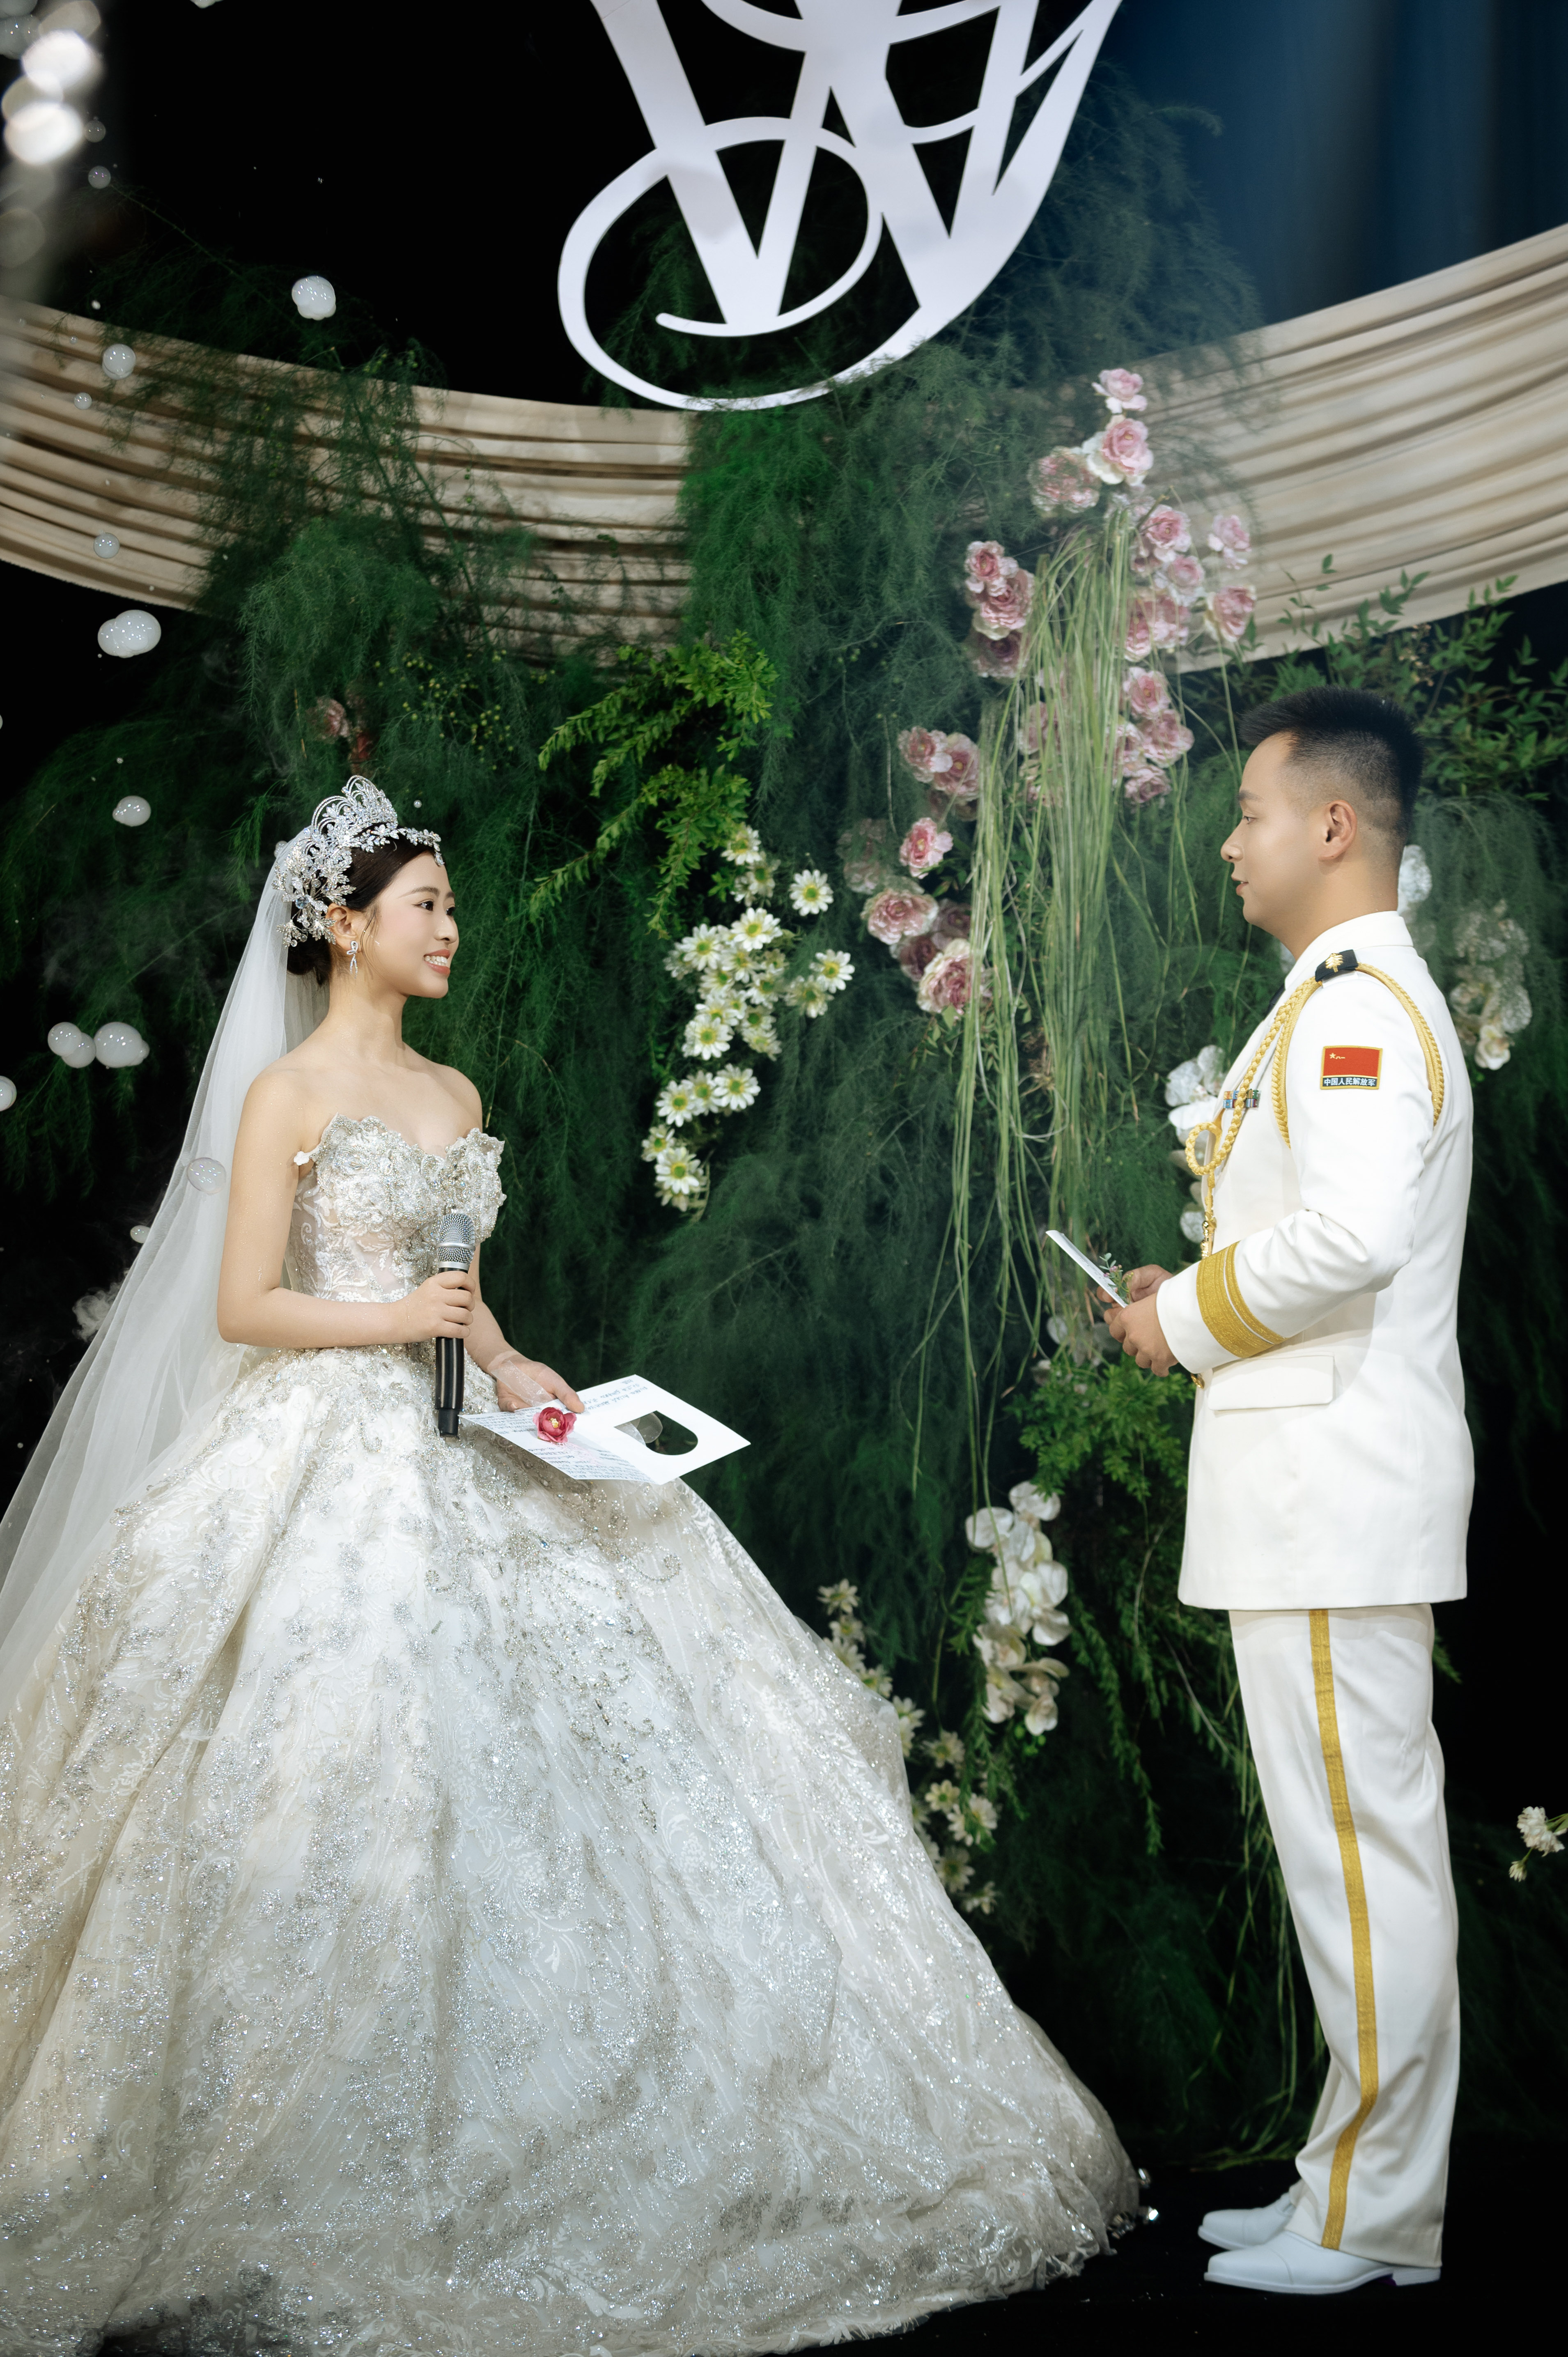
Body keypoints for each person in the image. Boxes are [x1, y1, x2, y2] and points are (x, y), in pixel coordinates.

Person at [0, 778, 1138, 2355]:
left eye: (452, 905)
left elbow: (467, 1302)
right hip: (323, 1437)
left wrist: (524, 1375)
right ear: (345, 926)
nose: (453, 928)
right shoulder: (284, 1096)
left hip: (451, 1415)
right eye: (427, 906)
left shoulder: (454, 1093)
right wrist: (396, 1322)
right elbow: (245, 1305)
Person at [1102, 687, 1469, 2296]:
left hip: (1331, 1496)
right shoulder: (1330, 993)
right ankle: (1344, 2185)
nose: (1229, 844)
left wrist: (1182, 1318)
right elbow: (1313, 1231)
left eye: (1248, 813)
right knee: (1348, 1865)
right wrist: (1182, 1292)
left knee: (1363, 1869)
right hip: (1320, 1491)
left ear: (1331, 824)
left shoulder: (1354, 1005)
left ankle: (1374, 2218)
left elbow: (1355, 1236)